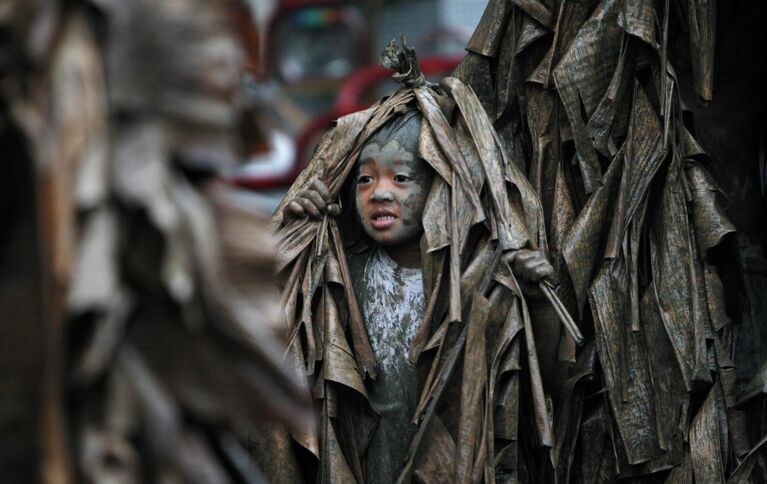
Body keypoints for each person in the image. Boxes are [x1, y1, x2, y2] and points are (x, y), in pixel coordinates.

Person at [282, 108, 561, 483]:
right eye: (365, 179)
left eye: (401, 177)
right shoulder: (341, 273)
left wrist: (537, 300)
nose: (380, 192)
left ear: (440, 188)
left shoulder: (471, 285)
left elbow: (541, 376)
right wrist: (298, 229)